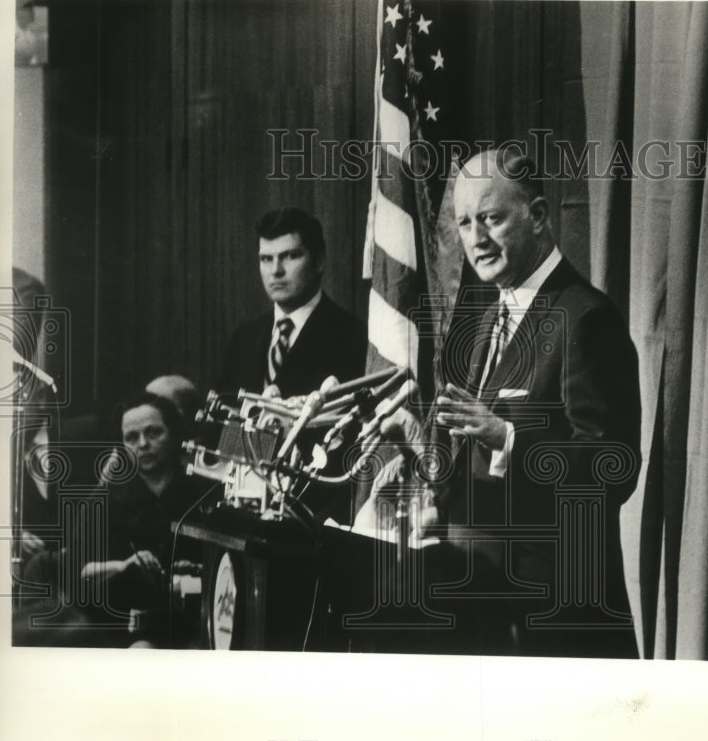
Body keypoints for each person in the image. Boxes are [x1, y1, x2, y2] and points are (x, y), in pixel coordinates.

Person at [369, 149, 642, 658]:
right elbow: (476, 480)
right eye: (465, 222)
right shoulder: (489, 318)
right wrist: (417, 443)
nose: (476, 238)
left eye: (491, 218)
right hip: (480, 610)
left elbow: (614, 471)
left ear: (538, 216)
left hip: (552, 620)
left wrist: (510, 439)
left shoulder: (586, 318)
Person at [73, 392, 211, 647]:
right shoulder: (101, 502)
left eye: (153, 432)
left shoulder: (205, 495)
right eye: (132, 437)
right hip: (123, 629)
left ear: (174, 435)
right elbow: (81, 576)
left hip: (197, 625)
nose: (143, 444)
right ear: (121, 444)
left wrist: (201, 571)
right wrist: (124, 565)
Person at [217, 207, 366, 398]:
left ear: (319, 261)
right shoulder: (244, 338)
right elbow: (222, 419)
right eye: (266, 259)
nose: (276, 270)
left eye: (290, 256)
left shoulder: (352, 337)